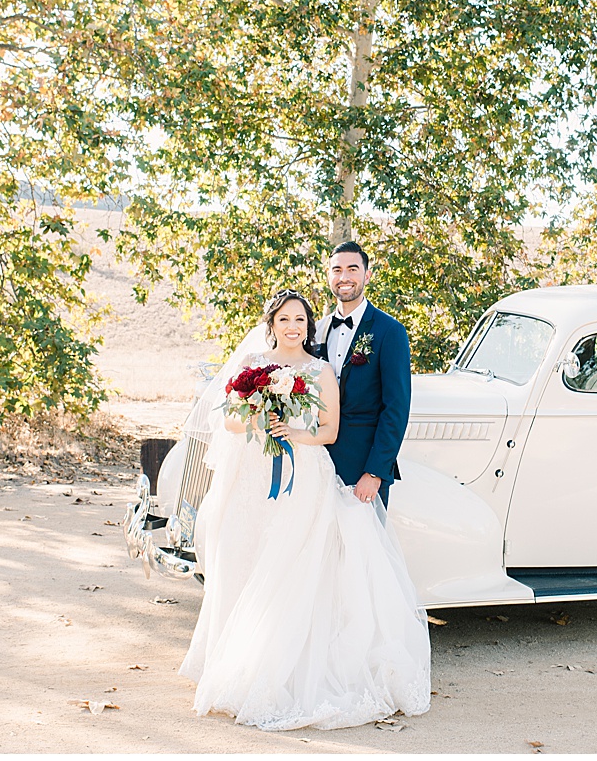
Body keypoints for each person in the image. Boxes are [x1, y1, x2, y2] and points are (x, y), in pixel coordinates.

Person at [179, 289, 431, 731]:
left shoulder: (321, 370)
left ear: (308, 325)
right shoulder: (249, 365)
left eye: (300, 319)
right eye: (284, 319)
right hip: (252, 476)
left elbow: (330, 431)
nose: (293, 326)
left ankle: (280, 669)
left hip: (303, 474)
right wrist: (261, 418)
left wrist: (292, 430)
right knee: (245, 557)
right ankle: (235, 657)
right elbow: (230, 421)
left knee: (292, 564)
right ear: (271, 324)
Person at [314, 241, 412, 509]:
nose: (344, 277)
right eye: (337, 270)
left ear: (367, 275)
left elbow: (396, 409)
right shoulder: (317, 331)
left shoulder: (389, 331)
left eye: (352, 269)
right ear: (328, 276)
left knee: (363, 549)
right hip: (317, 464)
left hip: (362, 470)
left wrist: (375, 472)